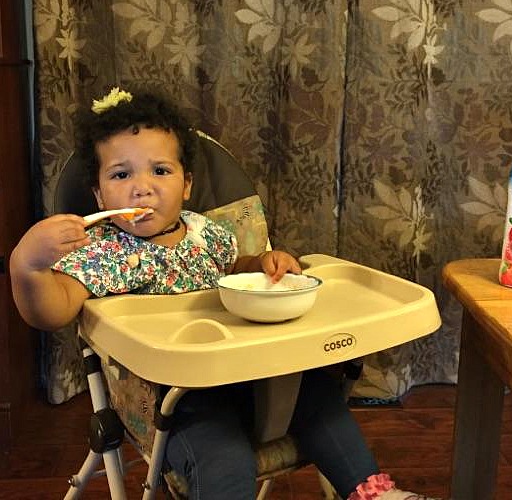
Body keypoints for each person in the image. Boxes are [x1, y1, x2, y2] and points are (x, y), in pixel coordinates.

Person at [10, 88, 439, 500]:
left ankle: (376, 493)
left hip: (256, 374)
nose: (142, 187)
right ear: (100, 195)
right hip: (174, 401)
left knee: (318, 396)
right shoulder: (101, 252)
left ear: (187, 185)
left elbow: (235, 271)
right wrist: (28, 266)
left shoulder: (207, 233)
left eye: (160, 171)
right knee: (224, 456)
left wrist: (265, 265)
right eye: (122, 175)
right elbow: (53, 310)